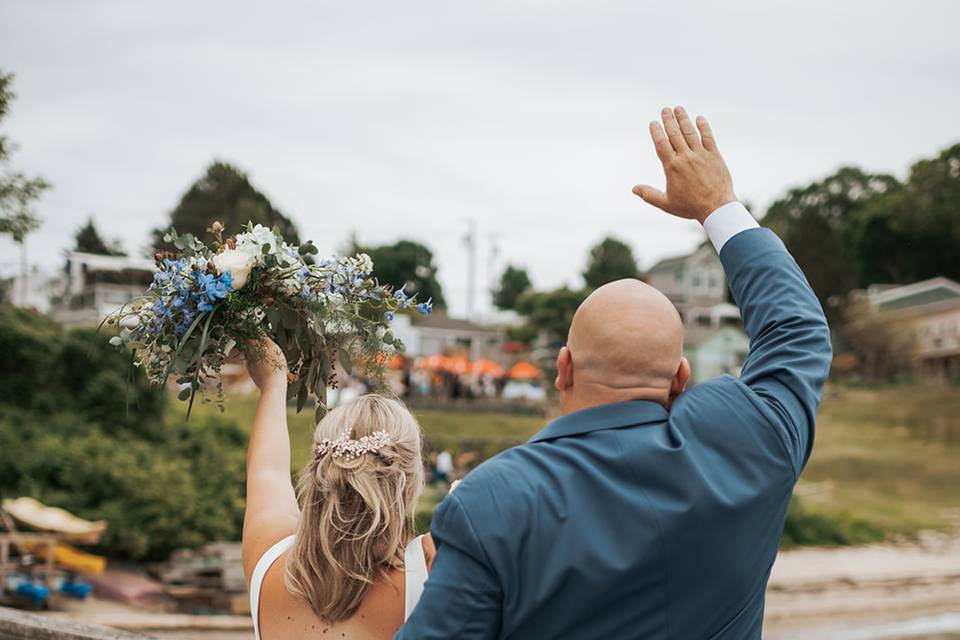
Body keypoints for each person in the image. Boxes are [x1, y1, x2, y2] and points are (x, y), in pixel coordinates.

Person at [396, 107, 832, 639]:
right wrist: (719, 205)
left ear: (563, 368)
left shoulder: (490, 503)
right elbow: (798, 331)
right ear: (680, 377)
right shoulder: (750, 441)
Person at [242, 338, 435, 640]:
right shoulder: (430, 568)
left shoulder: (268, 557)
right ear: (409, 484)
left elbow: (267, 471)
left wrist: (273, 382)